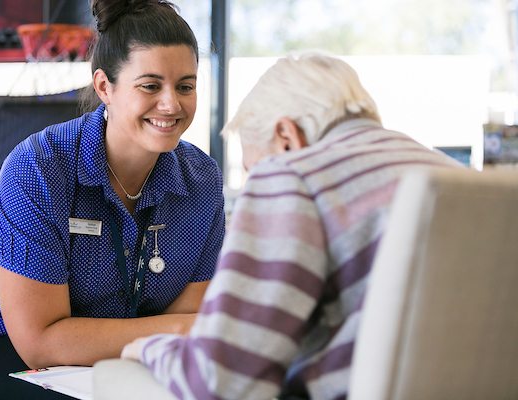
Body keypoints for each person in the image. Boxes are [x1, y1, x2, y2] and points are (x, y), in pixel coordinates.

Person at [121, 52, 462, 399]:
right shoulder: (452, 174)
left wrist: (149, 349)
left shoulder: (292, 174)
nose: (258, 179)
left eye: (254, 168)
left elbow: (225, 382)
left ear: (286, 137)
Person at [0, 1, 225, 399]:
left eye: (185, 86)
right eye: (150, 85)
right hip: (1, 351)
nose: (171, 104)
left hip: (129, 357)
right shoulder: (38, 167)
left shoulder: (202, 180)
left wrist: (176, 334)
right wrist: (176, 331)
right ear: (105, 86)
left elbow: (191, 314)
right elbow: (40, 342)